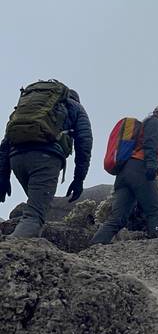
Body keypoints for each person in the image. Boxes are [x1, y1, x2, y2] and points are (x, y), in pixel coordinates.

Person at [0, 81, 92, 238]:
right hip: (45, 159)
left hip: (16, 159)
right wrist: (79, 180)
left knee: (36, 209)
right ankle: (9, 253)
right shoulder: (75, 107)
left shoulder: (30, 109)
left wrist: (3, 176)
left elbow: (5, 143)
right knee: (34, 216)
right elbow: (84, 143)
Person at [91, 103, 158, 245]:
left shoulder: (145, 126)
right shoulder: (154, 122)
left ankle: (94, 245)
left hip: (124, 174)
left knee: (118, 217)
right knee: (155, 210)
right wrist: (152, 166)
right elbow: (151, 143)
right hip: (140, 168)